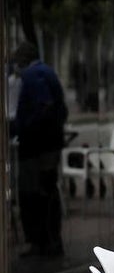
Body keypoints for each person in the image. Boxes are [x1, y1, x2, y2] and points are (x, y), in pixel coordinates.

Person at [12, 41, 67, 257]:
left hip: (37, 147)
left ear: (22, 60)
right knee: (47, 190)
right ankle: (51, 241)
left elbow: (43, 106)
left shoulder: (33, 75)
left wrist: (24, 128)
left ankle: (43, 241)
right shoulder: (46, 71)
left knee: (35, 193)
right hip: (49, 144)